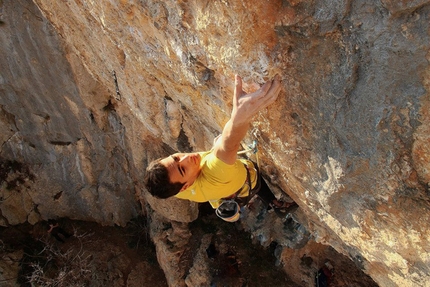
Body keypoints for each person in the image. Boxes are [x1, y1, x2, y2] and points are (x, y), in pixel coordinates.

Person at [145, 74, 287, 211]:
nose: (186, 158)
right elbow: (229, 145)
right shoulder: (214, 173)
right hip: (243, 179)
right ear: (185, 186)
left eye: (175, 158)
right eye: (183, 169)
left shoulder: (174, 187)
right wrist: (239, 116)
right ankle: (273, 202)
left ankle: (272, 203)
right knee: (256, 182)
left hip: (225, 189)